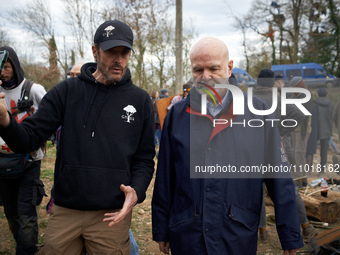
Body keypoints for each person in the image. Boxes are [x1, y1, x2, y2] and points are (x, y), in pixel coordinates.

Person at [0, 20, 155, 255]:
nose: (119, 59)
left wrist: (137, 190)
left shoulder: (140, 100)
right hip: (66, 210)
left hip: (110, 215)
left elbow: (144, 159)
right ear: (95, 51)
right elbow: (28, 139)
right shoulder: (67, 91)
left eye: (124, 53)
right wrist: (5, 122)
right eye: (111, 51)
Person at [152, 37, 303, 255]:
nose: (206, 77)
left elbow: (279, 178)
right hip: (188, 234)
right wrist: (161, 229)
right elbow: (165, 177)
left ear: (229, 67)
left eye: (214, 68)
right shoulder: (177, 115)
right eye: (198, 70)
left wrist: (290, 235)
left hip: (236, 234)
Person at [253, 69, 314, 243]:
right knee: (287, 188)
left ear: (257, 83)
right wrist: (279, 132)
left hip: (253, 150)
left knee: (256, 189)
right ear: (273, 83)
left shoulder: (246, 100)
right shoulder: (279, 99)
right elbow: (299, 114)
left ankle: (262, 231)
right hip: (275, 149)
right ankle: (306, 226)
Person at [0, 46, 47, 255]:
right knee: (10, 212)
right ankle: (24, 246)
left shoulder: (34, 89)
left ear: (15, 66)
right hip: (2, 162)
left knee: (26, 213)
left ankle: (27, 251)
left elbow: (51, 116)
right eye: (1, 67)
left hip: (29, 161)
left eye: (7, 67)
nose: (3, 72)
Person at [307, 88, 334, 173]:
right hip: (327, 130)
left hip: (315, 130)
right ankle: (322, 170)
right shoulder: (331, 104)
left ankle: (309, 168)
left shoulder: (314, 104)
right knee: (324, 151)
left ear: (318, 94)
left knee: (311, 149)